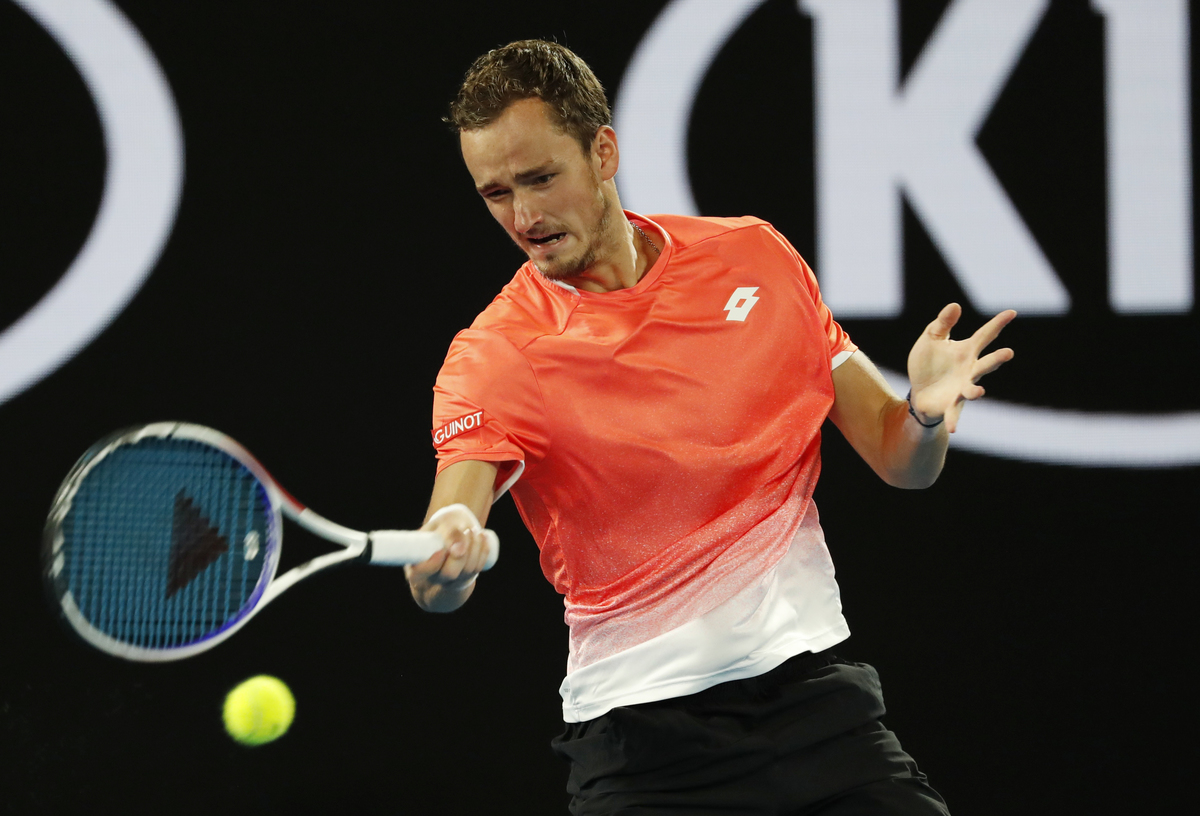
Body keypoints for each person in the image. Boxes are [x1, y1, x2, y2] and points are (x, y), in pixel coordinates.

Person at [405, 39, 1015, 815]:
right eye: (496, 193)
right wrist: (443, 566)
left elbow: (902, 460)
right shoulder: (495, 354)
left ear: (603, 152)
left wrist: (923, 414)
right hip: (646, 751)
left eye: (541, 178)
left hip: (817, 705)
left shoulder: (754, 258)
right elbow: (447, 536)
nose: (524, 217)